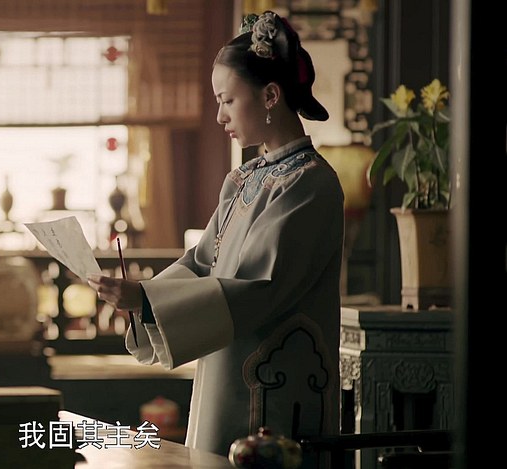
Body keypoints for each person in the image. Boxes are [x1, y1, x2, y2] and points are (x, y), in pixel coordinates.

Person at [88, 10, 344, 464]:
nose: (220, 114)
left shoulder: (310, 183)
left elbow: (260, 286)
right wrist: (143, 295)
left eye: (227, 100)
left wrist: (147, 300)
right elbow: (201, 261)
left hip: (273, 380)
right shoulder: (242, 180)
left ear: (270, 95)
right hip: (227, 367)